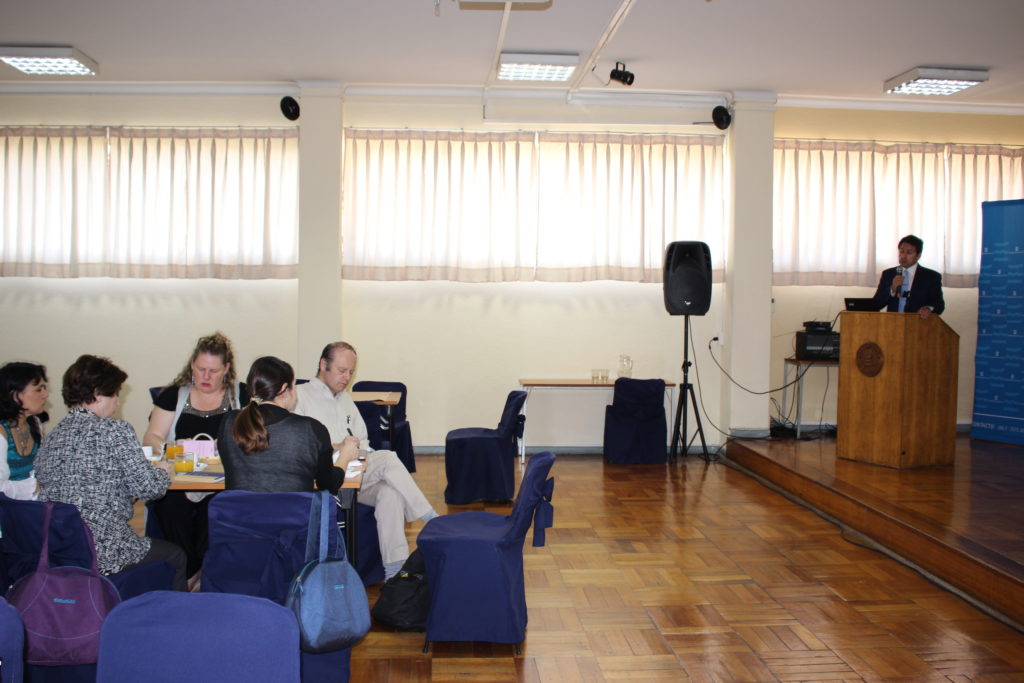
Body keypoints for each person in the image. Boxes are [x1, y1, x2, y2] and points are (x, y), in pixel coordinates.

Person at [35, 354, 187, 591]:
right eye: (115, 394)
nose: (117, 402)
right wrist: (162, 471)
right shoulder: (115, 430)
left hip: (60, 548)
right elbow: (150, 489)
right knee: (176, 556)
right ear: (97, 394)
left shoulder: (52, 437)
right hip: (104, 550)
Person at [294, 342, 437, 580]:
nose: (347, 377)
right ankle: (430, 518)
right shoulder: (300, 397)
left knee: (390, 495)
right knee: (388, 458)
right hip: (325, 477)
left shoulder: (345, 400)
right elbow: (301, 445)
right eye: (341, 371)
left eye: (351, 372)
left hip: (354, 474)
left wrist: (358, 454)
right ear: (323, 365)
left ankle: (394, 571)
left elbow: (363, 440)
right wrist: (339, 447)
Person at [142, 332, 249, 582]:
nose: (206, 377)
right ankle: (192, 572)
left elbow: (251, 439)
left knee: (216, 510)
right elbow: (151, 437)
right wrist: (173, 450)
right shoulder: (174, 395)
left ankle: (191, 575)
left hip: (222, 482)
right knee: (169, 506)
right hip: (180, 479)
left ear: (226, 368)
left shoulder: (240, 395)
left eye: (213, 371)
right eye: (201, 369)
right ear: (192, 365)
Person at [218, 356, 344, 494]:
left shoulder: (229, 422)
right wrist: (345, 457)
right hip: (295, 508)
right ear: (284, 389)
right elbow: (328, 485)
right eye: (294, 385)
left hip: (240, 508)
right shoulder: (311, 429)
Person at [0, 362, 49, 500]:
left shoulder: (34, 424)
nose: (45, 395)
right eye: (38, 390)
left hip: (28, 507)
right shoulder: (1, 431)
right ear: (15, 395)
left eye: (44, 388)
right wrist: (32, 487)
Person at [872, 234, 945, 318]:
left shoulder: (931, 277)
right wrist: (892, 289)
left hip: (917, 322)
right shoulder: (888, 274)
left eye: (909, 252)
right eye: (901, 251)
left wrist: (928, 308)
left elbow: (939, 305)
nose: (903, 256)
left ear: (918, 255)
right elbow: (876, 304)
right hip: (893, 322)